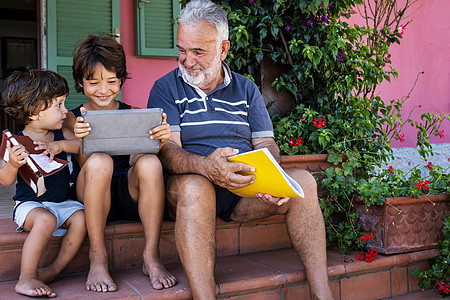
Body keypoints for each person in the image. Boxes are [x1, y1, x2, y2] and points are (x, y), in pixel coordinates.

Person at [147, 0, 334, 299]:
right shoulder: (165, 88)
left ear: (223, 50)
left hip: (243, 191)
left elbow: (265, 143)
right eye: (182, 49)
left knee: (305, 183)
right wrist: (207, 167)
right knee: (197, 187)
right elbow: (168, 151)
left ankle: (321, 294)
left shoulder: (246, 88)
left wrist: (271, 175)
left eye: (198, 51)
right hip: (188, 188)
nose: (187, 60)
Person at [64, 34, 176, 293]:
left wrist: (157, 139)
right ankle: (98, 257)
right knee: (100, 160)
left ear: (122, 79)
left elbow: (140, 158)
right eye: (93, 82)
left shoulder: (135, 114)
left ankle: (151, 256)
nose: (103, 90)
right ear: (81, 82)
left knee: (150, 163)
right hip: (91, 193)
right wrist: (82, 139)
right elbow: (83, 164)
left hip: (129, 192)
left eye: (111, 81)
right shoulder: (72, 120)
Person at [0, 69, 86, 298]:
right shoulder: (16, 142)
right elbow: (5, 179)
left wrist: (60, 147)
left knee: (82, 218)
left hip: (63, 202)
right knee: (45, 219)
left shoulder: (61, 135)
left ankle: (53, 270)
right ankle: (26, 277)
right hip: (30, 205)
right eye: (58, 105)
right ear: (34, 111)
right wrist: (12, 166)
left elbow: (81, 146)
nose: (65, 110)